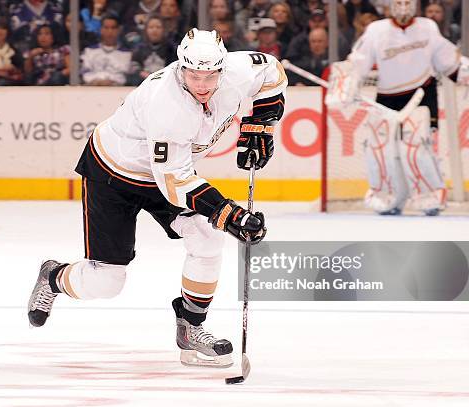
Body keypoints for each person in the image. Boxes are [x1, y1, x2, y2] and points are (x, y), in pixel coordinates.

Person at [27, 28, 287, 368]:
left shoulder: (237, 73)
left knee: (208, 236)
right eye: (195, 74)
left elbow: (271, 70)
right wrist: (228, 213)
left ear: (222, 67)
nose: (203, 84)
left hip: (166, 173)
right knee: (106, 282)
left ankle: (191, 327)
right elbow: (176, 182)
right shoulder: (165, 104)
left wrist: (261, 123)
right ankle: (53, 276)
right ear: (181, 66)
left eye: (211, 74)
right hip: (115, 175)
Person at [332, 0, 469, 216]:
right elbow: (359, 61)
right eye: (398, 2)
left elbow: (447, 60)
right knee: (378, 148)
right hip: (386, 97)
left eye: (407, 2)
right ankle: (387, 197)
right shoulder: (376, 30)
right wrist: (346, 84)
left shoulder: (427, 27)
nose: (403, 7)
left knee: (416, 149)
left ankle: (430, 196)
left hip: (420, 95)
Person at [80, 15, 131, 85]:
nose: (110, 31)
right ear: (100, 30)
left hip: (117, 90)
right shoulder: (89, 51)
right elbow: (84, 73)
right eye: (106, 28)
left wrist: (111, 82)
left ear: (119, 30)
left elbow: (125, 76)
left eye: (113, 28)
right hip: (92, 88)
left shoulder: (126, 54)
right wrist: (97, 81)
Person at [129, 16, 177, 86]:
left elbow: (175, 67)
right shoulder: (139, 48)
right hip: (143, 84)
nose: (154, 30)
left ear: (164, 30)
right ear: (146, 30)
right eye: (151, 27)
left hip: (165, 84)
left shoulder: (171, 48)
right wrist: (141, 73)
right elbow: (133, 66)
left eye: (158, 27)